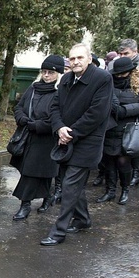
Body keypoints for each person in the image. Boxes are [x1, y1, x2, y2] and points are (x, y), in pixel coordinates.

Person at [40, 44, 112, 246]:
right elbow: (54, 106)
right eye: (72, 59)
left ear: (89, 58)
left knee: (70, 185)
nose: (76, 62)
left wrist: (71, 133)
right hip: (65, 138)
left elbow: (97, 113)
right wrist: (59, 128)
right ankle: (83, 219)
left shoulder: (102, 79)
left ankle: (58, 231)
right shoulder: (66, 79)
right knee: (72, 184)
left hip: (87, 142)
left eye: (80, 58)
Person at [8, 55, 62, 220]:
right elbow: (19, 107)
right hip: (29, 137)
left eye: (51, 72)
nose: (46, 75)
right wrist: (22, 119)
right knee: (29, 172)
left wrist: (38, 125)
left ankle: (38, 201)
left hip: (47, 140)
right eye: (44, 72)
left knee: (42, 173)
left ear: (58, 74)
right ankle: (34, 201)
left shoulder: (60, 92)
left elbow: (59, 117)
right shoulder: (33, 88)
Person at [97, 57, 139, 205]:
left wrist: (124, 110)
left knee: (123, 162)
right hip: (110, 127)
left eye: (123, 73)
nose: (120, 76)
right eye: (117, 73)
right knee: (108, 160)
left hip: (130, 130)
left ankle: (125, 190)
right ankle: (110, 191)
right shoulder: (108, 83)